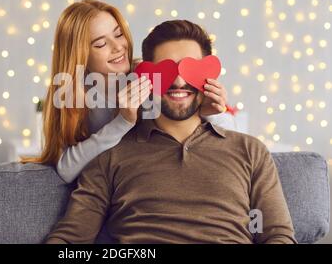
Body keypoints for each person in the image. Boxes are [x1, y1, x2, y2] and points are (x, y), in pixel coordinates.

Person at [45, 20, 296, 244]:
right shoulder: (109, 156)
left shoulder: (250, 151)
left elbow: (278, 235)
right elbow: (69, 239)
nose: (178, 82)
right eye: (166, 70)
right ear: (145, 77)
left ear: (208, 76)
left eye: (190, 70)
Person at [31, 0, 234, 185]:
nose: (118, 47)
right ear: (80, 55)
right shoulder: (69, 94)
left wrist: (210, 113)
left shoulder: (147, 77)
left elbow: (236, 145)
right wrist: (123, 121)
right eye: (101, 44)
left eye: (118, 34)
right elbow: (66, 169)